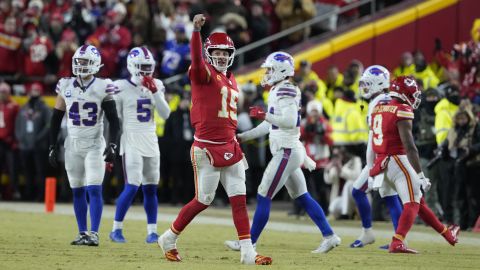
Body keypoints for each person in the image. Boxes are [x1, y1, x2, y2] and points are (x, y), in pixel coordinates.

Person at [157, 14, 272, 265]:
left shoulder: (230, 78)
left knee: (239, 199)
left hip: (230, 145)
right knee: (203, 200)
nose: (221, 56)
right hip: (206, 148)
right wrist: (196, 33)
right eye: (216, 52)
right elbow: (197, 62)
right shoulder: (202, 72)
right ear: (209, 54)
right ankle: (168, 237)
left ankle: (247, 252)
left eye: (225, 52)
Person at [224, 51, 341, 253]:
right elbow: (271, 126)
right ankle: (329, 235)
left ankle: (248, 242)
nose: (267, 73)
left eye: (270, 69)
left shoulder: (285, 89)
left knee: (263, 194)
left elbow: (289, 122)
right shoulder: (278, 89)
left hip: (286, 151)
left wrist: (265, 116)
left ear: (281, 69)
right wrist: (243, 136)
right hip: (288, 150)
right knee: (303, 196)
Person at [369, 76, 460, 253]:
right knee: (412, 203)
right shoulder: (401, 109)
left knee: (419, 202)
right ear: (404, 93)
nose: (416, 97)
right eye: (413, 93)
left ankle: (447, 234)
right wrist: (420, 175)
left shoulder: (378, 108)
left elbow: (373, 141)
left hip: (382, 161)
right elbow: (410, 147)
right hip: (398, 160)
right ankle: (397, 241)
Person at [48, 44, 120, 246]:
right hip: (72, 145)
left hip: (94, 145)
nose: (81, 65)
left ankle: (94, 233)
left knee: (94, 189)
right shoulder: (65, 85)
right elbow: (55, 118)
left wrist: (113, 144)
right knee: (77, 190)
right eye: (78, 61)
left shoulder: (103, 85)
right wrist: (52, 145)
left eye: (86, 62)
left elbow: (114, 120)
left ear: (96, 64)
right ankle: (82, 232)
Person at [109, 46, 171, 244]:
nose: (146, 71)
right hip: (131, 139)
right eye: (142, 67)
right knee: (132, 185)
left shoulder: (157, 84)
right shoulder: (120, 86)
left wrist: (155, 93)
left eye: (148, 67)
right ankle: (116, 229)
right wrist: (111, 145)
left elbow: (165, 114)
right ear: (132, 66)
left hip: (151, 140)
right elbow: (114, 119)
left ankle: (152, 231)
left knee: (151, 188)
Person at [349, 65, 403, 248]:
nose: (364, 87)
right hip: (391, 154)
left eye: (367, 83)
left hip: (381, 156)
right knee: (390, 196)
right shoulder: (389, 100)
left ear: (379, 84)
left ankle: (368, 233)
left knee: (358, 191)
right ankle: (399, 239)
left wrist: (371, 167)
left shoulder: (377, 103)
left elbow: (373, 139)